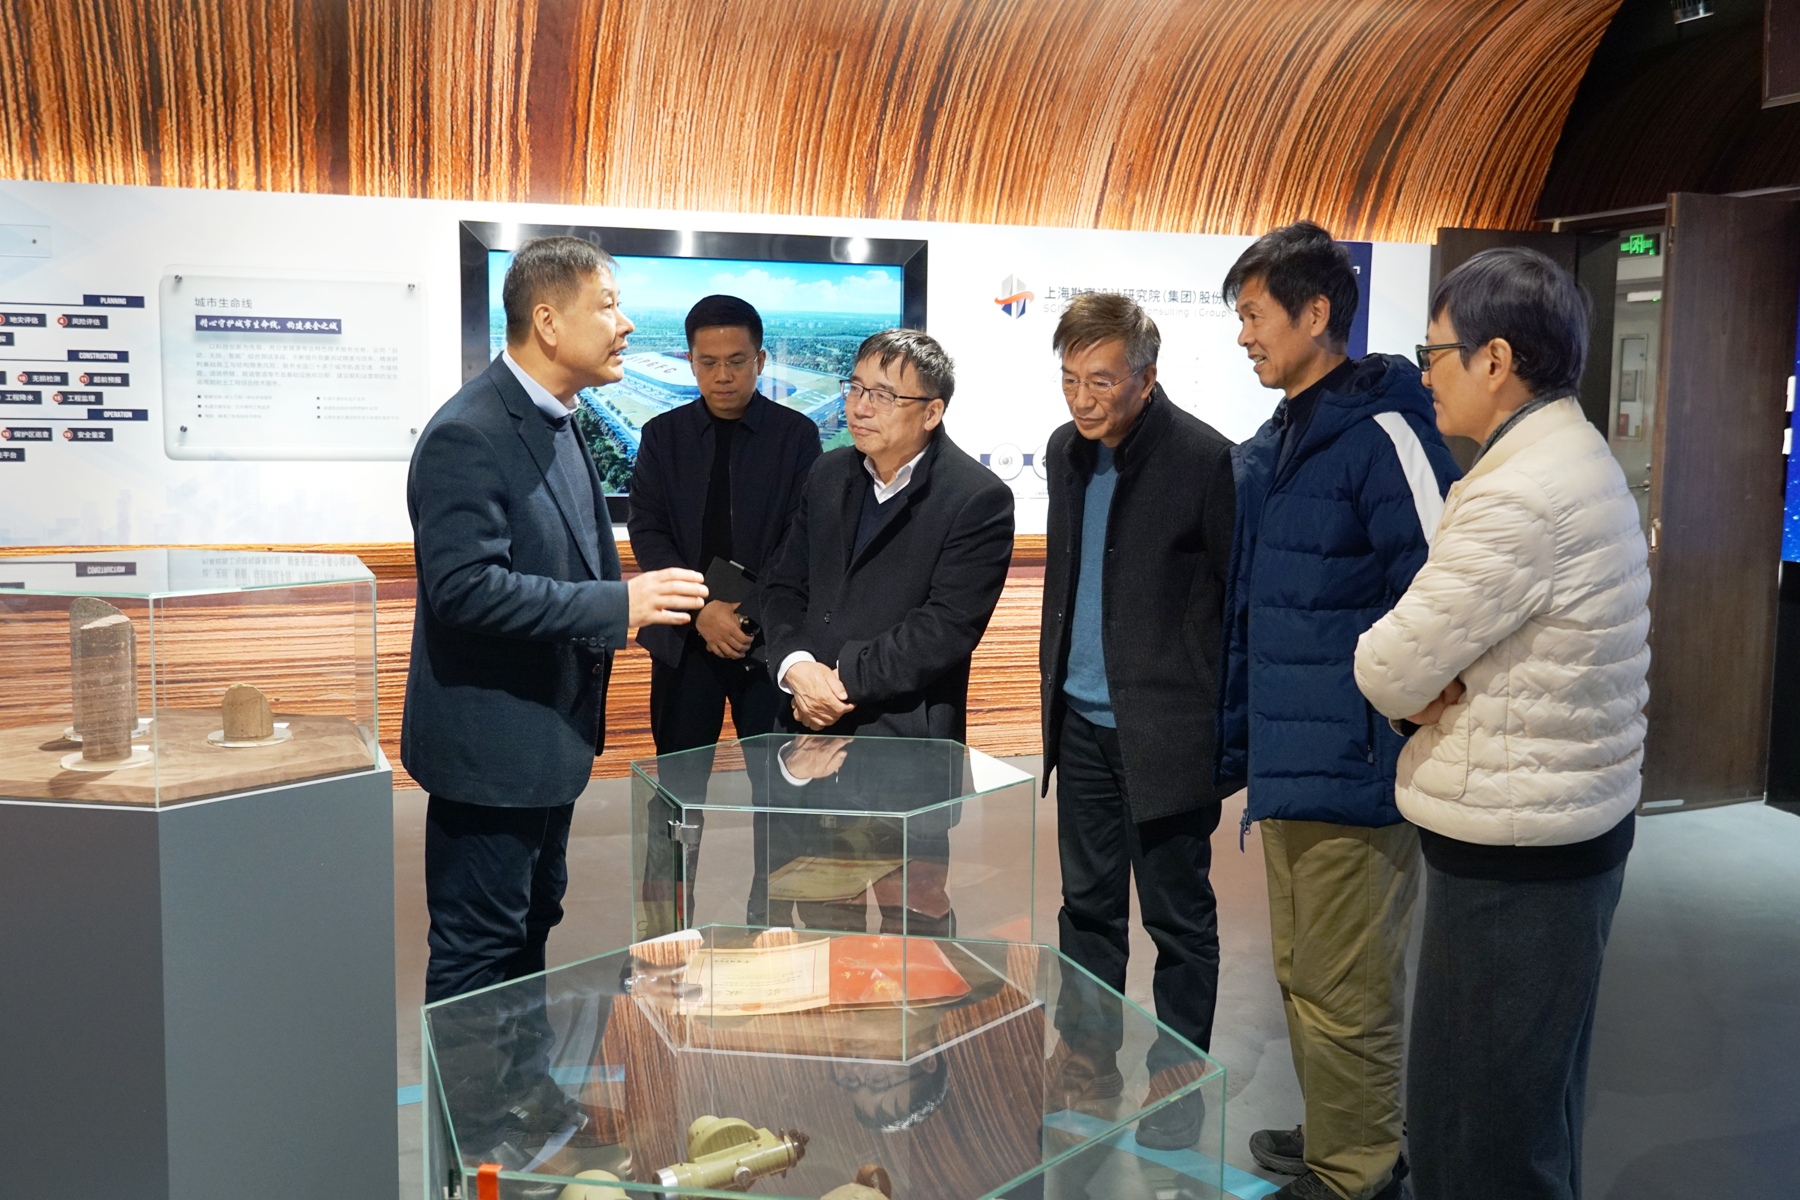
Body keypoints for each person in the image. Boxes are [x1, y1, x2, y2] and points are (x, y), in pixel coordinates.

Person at [1354, 248, 1647, 1200]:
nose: (1425, 373)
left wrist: (1420, 688)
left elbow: (1388, 665)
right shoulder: (1576, 455)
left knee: (1476, 1134)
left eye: (1434, 352)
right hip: (1567, 826)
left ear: (1496, 360)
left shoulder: (1519, 492)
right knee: (1530, 1110)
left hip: (1515, 851)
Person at [1216, 221, 1458, 1200]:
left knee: (1345, 984)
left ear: (1317, 313)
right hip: (1294, 759)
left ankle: (1357, 1174)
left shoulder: (1384, 432)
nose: (1244, 335)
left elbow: (1445, 589)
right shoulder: (1284, 438)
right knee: (1308, 973)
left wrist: (1388, 726)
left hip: (1354, 767)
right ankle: (1343, 1130)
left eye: (1254, 315)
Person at [404, 234, 707, 1015]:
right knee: (479, 948)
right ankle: (472, 1098)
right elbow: (465, 589)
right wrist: (618, 606)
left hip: (546, 743)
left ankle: (521, 1085)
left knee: (531, 924)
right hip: (491, 751)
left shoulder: (557, 417)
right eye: (607, 306)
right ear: (547, 321)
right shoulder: (469, 433)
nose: (626, 325)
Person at [1036, 292, 1235, 1150]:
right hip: (1079, 726)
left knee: (1177, 923)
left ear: (1146, 379)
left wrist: (1222, 729)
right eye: (1070, 378)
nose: (1082, 399)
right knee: (1085, 912)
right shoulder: (1064, 452)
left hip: (1167, 737)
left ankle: (1176, 1087)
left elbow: (1233, 605)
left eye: (1101, 381)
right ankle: (1087, 1064)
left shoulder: (1205, 460)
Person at [627, 295, 821, 932]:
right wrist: (703, 611)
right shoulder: (663, 437)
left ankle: (771, 932)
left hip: (769, 647)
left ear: (760, 360)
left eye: (737, 361)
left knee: (782, 797)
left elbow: (800, 540)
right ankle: (663, 939)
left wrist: (748, 614)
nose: (723, 375)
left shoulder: (796, 437)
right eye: (708, 362)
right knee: (675, 799)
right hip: (685, 643)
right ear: (689, 361)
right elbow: (648, 530)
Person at [759, 328, 1014, 739]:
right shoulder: (827, 473)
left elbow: (945, 628)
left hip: (900, 731)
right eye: (855, 388)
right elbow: (783, 584)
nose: (860, 408)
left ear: (931, 413)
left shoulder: (976, 498)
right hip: (802, 713)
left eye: (883, 396)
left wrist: (838, 684)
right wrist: (796, 666)